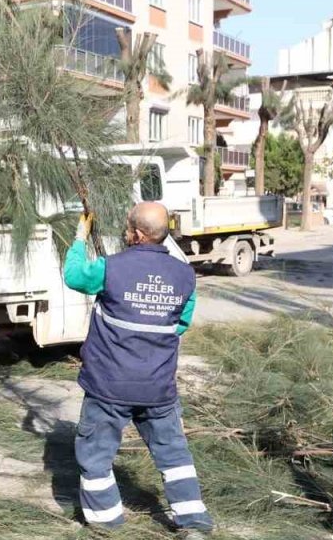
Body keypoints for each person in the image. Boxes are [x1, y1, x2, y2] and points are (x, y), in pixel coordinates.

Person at [62, 204, 214, 538]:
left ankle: (107, 522)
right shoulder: (185, 275)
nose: (125, 231)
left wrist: (79, 238)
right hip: (157, 388)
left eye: (128, 226)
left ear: (137, 234)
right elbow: (180, 324)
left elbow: (73, 276)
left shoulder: (110, 268)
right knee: (173, 453)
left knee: (96, 454)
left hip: (108, 388)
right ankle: (193, 522)